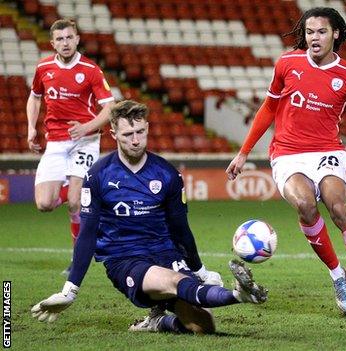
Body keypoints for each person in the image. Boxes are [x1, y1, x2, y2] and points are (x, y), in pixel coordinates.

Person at [31, 100, 268, 334]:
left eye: (140, 132)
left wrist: (200, 270)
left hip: (165, 252)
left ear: (148, 128)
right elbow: (87, 234)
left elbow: (180, 230)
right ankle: (239, 294)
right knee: (174, 283)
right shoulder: (97, 176)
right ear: (113, 133)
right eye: (127, 134)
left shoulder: (167, 174)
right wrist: (70, 290)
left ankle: (157, 322)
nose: (135, 140)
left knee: (203, 324)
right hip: (124, 258)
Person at [226, 7, 346, 314]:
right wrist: (243, 153)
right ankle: (338, 277)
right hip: (287, 153)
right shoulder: (287, 63)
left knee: (338, 207)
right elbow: (268, 108)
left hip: (328, 152)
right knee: (306, 205)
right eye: (309, 32)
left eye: (321, 31)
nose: (314, 38)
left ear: (336, 34)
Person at [26, 19, 115, 274]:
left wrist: (87, 128)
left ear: (77, 39)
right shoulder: (43, 67)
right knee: (44, 204)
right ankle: (71, 189)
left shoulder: (91, 70)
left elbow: (110, 108)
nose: (65, 43)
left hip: (85, 141)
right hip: (55, 141)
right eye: (60, 39)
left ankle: (78, 257)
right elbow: (34, 98)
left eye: (69, 37)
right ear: (52, 43)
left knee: (76, 203)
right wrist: (31, 127)